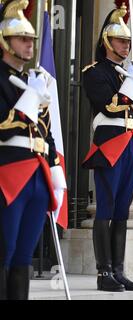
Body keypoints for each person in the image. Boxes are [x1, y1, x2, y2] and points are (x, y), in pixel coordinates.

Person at [0, 0, 66, 300]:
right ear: (5, 40)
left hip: (37, 174)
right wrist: (28, 101)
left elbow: (46, 132)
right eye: (23, 39)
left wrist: (55, 169)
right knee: (5, 250)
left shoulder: (34, 81)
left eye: (31, 40)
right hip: (9, 173)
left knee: (24, 256)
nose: (29, 45)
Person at [82, 2, 133, 292]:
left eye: (128, 41)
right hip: (110, 145)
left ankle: (119, 270)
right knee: (106, 209)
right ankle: (103, 272)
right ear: (107, 41)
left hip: (131, 147)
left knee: (122, 211)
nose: (126, 45)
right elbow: (109, 106)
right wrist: (129, 82)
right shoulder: (94, 71)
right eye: (121, 40)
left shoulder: (128, 75)